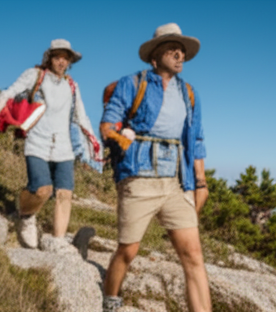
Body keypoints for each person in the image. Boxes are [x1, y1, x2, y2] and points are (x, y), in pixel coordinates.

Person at [100, 23, 210, 312]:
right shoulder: (132, 83)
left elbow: (196, 139)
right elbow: (109, 121)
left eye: (182, 50)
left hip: (177, 179)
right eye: (172, 48)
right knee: (128, 250)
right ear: (154, 56)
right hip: (139, 175)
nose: (179, 53)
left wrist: (201, 182)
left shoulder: (189, 93)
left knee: (194, 257)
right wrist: (114, 133)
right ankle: (110, 299)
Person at [0, 39, 99, 254]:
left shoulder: (72, 86)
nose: (61, 62)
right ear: (49, 58)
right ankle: (25, 216)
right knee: (42, 190)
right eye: (57, 57)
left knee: (65, 194)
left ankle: (57, 241)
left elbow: (81, 116)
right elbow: (9, 92)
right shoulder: (35, 75)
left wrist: (94, 145)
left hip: (64, 147)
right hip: (37, 142)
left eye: (66, 58)